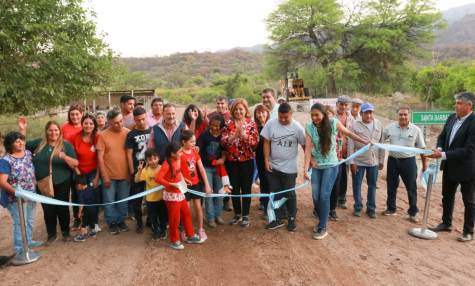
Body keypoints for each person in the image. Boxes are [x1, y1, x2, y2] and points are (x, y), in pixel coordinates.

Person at [303, 103, 368, 240]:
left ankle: (322, 226)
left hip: (331, 165)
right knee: (315, 196)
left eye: (317, 115)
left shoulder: (333, 123)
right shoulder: (309, 127)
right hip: (317, 167)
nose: (315, 118)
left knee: (324, 195)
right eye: (312, 115)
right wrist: (305, 169)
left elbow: (349, 133)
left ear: (324, 114)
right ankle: (322, 220)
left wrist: (364, 141)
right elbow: (308, 149)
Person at [19, 118, 78, 244]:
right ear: (46, 131)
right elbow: (22, 145)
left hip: (62, 181)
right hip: (43, 183)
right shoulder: (39, 144)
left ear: (60, 131)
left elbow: (75, 163)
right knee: (48, 209)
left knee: (62, 208)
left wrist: (64, 156)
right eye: (50, 130)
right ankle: (51, 234)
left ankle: (65, 232)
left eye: (56, 130)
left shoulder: (66, 145)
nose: (53, 133)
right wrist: (22, 129)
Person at [429, 92, 475, 242]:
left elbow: (469, 149)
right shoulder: (451, 118)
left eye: (459, 103)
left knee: (469, 201)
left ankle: (468, 231)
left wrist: (443, 155)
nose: (456, 105)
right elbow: (442, 137)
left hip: (467, 169)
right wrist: (440, 149)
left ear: (469, 106)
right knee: (447, 196)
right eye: (456, 103)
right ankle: (446, 223)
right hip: (449, 166)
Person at [262, 103, 305, 231]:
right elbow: (266, 142)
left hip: (290, 169)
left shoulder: (297, 128)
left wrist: (308, 164)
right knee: (275, 193)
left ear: (291, 114)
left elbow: (304, 146)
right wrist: (266, 160)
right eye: (281, 117)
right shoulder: (271, 124)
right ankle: (278, 218)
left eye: (286, 117)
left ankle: (292, 218)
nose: (283, 120)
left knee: (289, 194)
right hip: (273, 166)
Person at [0, 131, 43, 254]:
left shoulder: (28, 154)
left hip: (31, 194)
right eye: (16, 140)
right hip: (15, 199)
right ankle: (20, 249)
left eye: (21, 140)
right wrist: (18, 194)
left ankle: (28, 240)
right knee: (20, 222)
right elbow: (2, 182)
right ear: (10, 144)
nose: (20, 142)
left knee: (29, 219)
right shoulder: (6, 160)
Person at [382, 107, 427, 223]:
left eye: (405, 115)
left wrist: (425, 163)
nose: (403, 117)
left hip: (408, 162)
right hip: (392, 160)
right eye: (401, 114)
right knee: (391, 185)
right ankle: (391, 208)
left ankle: (413, 212)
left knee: (411, 187)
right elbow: (380, 139)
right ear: (398, 116)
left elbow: (422, 147)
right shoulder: (390, 128)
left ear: (409, 116)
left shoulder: (416, 130)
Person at [155, 142, 203, 250]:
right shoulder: (167, 164)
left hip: (180, 192)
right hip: (172, 196)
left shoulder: (178, 159)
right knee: (174, 219)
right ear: (172, 154)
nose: (181, 153)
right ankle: (174, 240)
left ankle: (190, 235)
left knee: (186, 214)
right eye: (179, 152)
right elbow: (158, 178)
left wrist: (183, 179)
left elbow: (178, 172)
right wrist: (171, 184)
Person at [221, 99, 259, 227]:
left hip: (247, 161)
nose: (238, 111)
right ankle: (237, 214)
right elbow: (223, 142)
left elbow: (255, 143)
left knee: (246, 188)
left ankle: (246, 215)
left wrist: (243, 135)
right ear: (232, 110)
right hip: (231, 162)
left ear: (246, 110)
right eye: (236, 109)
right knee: (234, 188)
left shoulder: (251, 124)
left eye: (241, 109)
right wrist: (233, 136)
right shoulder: (228, 123)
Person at [348, 102, 385, 219]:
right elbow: (350, 144)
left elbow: (382, 143)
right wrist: (351, 162)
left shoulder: (378, 124)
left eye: (371, 113)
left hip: (373, 161)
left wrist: (381, 160)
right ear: (361, 113)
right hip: (358, 161)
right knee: (357, 184)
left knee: (372, 185)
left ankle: (371, 208)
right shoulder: (354, 125)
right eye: (366, 113)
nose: (369, 115)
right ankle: (358, 207)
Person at [96, 109, 130, 235]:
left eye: (121, 121)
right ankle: (112, 223)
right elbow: (99, 157)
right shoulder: (102, 135)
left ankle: (121, 221)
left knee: (123, 200)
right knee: (109, 201)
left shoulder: (128, 133)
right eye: (116, 123)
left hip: (125, 175)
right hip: (109, 175)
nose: (119, 124)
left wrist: (131, 173)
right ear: (109, 122)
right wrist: (104, 176)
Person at [71, 114, 101, 242]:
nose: (88, 126)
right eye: (86, 123)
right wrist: (77, 172)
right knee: (83, 202)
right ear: (82, 124)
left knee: (93, 201)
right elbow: (72, 158)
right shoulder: (75, 138)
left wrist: (97, 178)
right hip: (80, 174)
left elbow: (100, 159)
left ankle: (93, 227)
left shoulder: (98, 137)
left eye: (91, 124)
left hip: (94, 173)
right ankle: (83, 229)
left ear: (94, 125)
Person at [179, 130, 211, 241]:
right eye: (192, 142)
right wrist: (183, 180)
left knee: (198, 207)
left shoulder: (195, 152)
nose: (194, 144)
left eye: (194, 141)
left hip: (196, 184)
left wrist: (207, 184)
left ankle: (200, 229)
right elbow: (176, 170)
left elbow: (201, 169)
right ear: (184, 142)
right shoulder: (179, 154)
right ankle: (185, 230)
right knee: (186, 209)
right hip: (184, 187)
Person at [198, 114, 228, 227]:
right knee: (209, 193)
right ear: (209, 124)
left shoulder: (223, 136)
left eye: (217, 126)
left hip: (220, 168)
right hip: (206, 168)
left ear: (221, 126)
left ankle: (218, 215)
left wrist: (223, 159)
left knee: (220, 192)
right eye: (213, 125)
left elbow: (225, 149)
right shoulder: (204, 135)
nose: (215, 128)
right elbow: (199, 150)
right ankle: (210, 217)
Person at [126, 107, 151, 233]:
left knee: (152, 197)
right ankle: (139, 223)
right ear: (134, 120)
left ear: (146, 117)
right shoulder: (131, 134)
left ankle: (150, 221)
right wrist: (132, 171)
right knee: (137, 199)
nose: (141, 122)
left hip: (152, 170)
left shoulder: (153, 130)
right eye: (138, 120)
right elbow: (129, 154)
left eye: (143, 119)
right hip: (138, 170)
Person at [135, 149, 167, 240]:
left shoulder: (162, 168)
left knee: (163, 216)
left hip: (162, 198)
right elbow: (136, 180)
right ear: (146, 161)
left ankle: (163, 230)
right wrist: (139, 171)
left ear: (158, 158)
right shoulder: (145, 171)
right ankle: (155, 232)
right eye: (150, 159)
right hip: (150, 200)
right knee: (153, 217)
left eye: (155, 158)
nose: (153, 161)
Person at [62, 104, 84, 229]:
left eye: (77, 114)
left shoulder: (85, 126)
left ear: (81, 114)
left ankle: (82, 217)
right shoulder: (64, 127)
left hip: (81, 165)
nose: (75, 116)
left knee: (79, 191)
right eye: (72, 114)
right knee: (69, 193)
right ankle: (73, 218)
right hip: (65, 165)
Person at [333, 96, 353, 215]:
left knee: (344, 175)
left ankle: (342, 199)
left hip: (346, 151)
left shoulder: (352, 118)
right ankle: (333, 199)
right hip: (334, 151)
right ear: (337, 104)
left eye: (346, 105)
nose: (343, 107)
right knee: (334, 175)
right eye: (341, 104)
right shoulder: (331, 116)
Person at [254, 104, 271, 212]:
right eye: (258, 112)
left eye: (263, 112)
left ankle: (270, 202)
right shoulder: (254, 127)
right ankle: (264, 202)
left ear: (267, 113)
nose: (261, 115)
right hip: (260, 158)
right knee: (264, 180)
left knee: (272, 181)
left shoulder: (272, 125)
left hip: (273, 158)